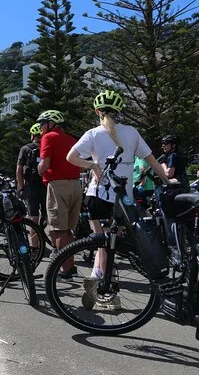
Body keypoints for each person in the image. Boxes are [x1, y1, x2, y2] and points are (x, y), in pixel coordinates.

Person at [66, 90, 173, 309]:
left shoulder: (93, 134)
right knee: (111, 245)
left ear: (97, 111)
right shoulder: (132, 132)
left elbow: (71, 157)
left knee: (102, 244)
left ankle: (97, 278)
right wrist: (167, 181)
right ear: (119, 111)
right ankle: (107, 291)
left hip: (96, 196)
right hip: (121, 200)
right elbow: (152, 160)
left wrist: (93, 165)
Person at [36, 110, 81, 278]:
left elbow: (44, 165)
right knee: (68, 230)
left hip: (58, 185)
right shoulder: (71, 139)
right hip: (76, 185)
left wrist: (38, 169)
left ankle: (65, 269)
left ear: (51, 123)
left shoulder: (48, 137)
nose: (40, 127)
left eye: (42, 123)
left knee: (58, 229)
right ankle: (71, 265)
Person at [16, 123, 47, 248]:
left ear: (32, 135)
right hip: (46, 186)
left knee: (33, 218)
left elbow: (19, 170)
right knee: (48, 217)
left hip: (31, 187)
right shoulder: (47, 147)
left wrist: (21, 187)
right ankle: (54, 246)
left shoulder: (25, 148)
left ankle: (35, 247)